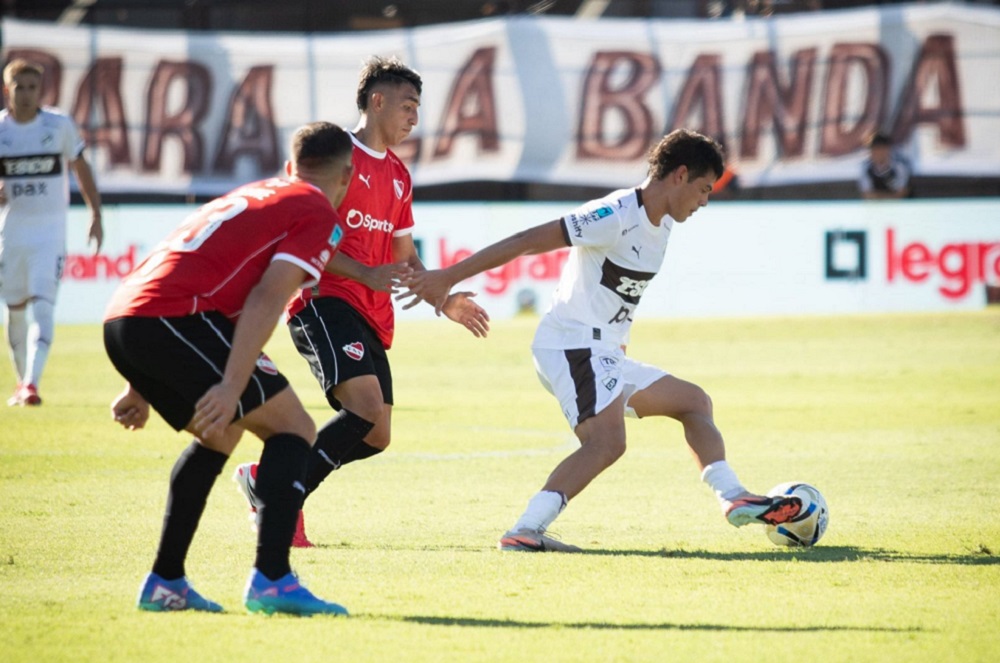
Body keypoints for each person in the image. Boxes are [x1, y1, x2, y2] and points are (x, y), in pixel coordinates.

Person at [399, 129, 804, 552]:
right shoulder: (614, 214)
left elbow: (621, 296)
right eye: (704, 189)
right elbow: (524, 242)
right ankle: (525, 530)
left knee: (693, 401)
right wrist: (447, 277)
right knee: (607, 443)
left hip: (602, 351)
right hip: (571, 343)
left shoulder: (662, 225)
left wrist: (619, 349)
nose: (704, 201)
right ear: (680, 175)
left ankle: (732, 496)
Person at [231, 55, 489, 547]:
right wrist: (365, 271)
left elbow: (403, 256)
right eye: (408, 105)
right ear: (377, 101)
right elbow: (302, 236)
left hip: (371, 312)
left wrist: (444, 299)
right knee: (365, 407)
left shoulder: (398, 176)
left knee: (376, 434)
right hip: (323, 300)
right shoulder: (332, 155)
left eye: (418, 107)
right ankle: (278, 507)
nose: (415, 116)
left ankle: (265, 481)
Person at [103, 121, 355, 615]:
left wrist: (140, 380)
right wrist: (231, 383)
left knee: (220, 435)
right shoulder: (317, 211)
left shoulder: (256, 193)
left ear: (291, 165)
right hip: (174, 319)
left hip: (126, 317)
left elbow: (195, 271)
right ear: (346, 174)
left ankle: (166, 581)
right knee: (294, 430)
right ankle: (273, 579)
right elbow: (267, 296)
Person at [1, 58, 103, 407]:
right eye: (20, 88)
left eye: (32, 87)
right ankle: (21, 382)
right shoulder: (1, 131)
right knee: (14, 311)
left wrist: (95, 213)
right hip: (10, 235)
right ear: (7, 90)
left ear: (40, 91)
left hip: (49, 235)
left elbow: (81, 166)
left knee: (43, 306)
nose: (26, 94)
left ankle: (32, 383)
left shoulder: (58, 126)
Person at [858, 131, 911, 200]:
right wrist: (889, 196)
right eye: (873, 150)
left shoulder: (899, 167)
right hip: (874, 208)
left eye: (879, 149)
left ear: (887, 150)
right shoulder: (866, 168)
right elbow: (866, 195)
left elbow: (901, 194)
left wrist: (878, 196)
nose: (876, 153)